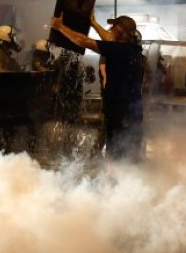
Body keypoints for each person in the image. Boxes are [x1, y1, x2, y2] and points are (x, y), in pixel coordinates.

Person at [50, 13, 144, 161]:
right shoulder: (132, 49)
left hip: (120, 112)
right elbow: (109, 39)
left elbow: (83, 41)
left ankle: (116, 180)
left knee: (117, 154)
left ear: (120, 32)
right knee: (129, 152)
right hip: (131, 112)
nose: (110, 30)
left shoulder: (119, 50)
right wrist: (93, 24)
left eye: (113, 28)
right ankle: (128, 179)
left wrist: (60, 27)